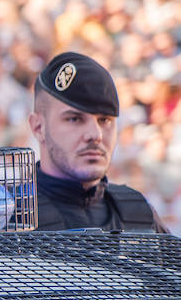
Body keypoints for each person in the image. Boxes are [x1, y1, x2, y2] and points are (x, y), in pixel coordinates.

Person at [29, 52, 168, 233]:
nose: (95, 134)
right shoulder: (8, 218)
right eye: (74, 119)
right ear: (39, 127)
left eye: (105, 120)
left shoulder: (140, 215)